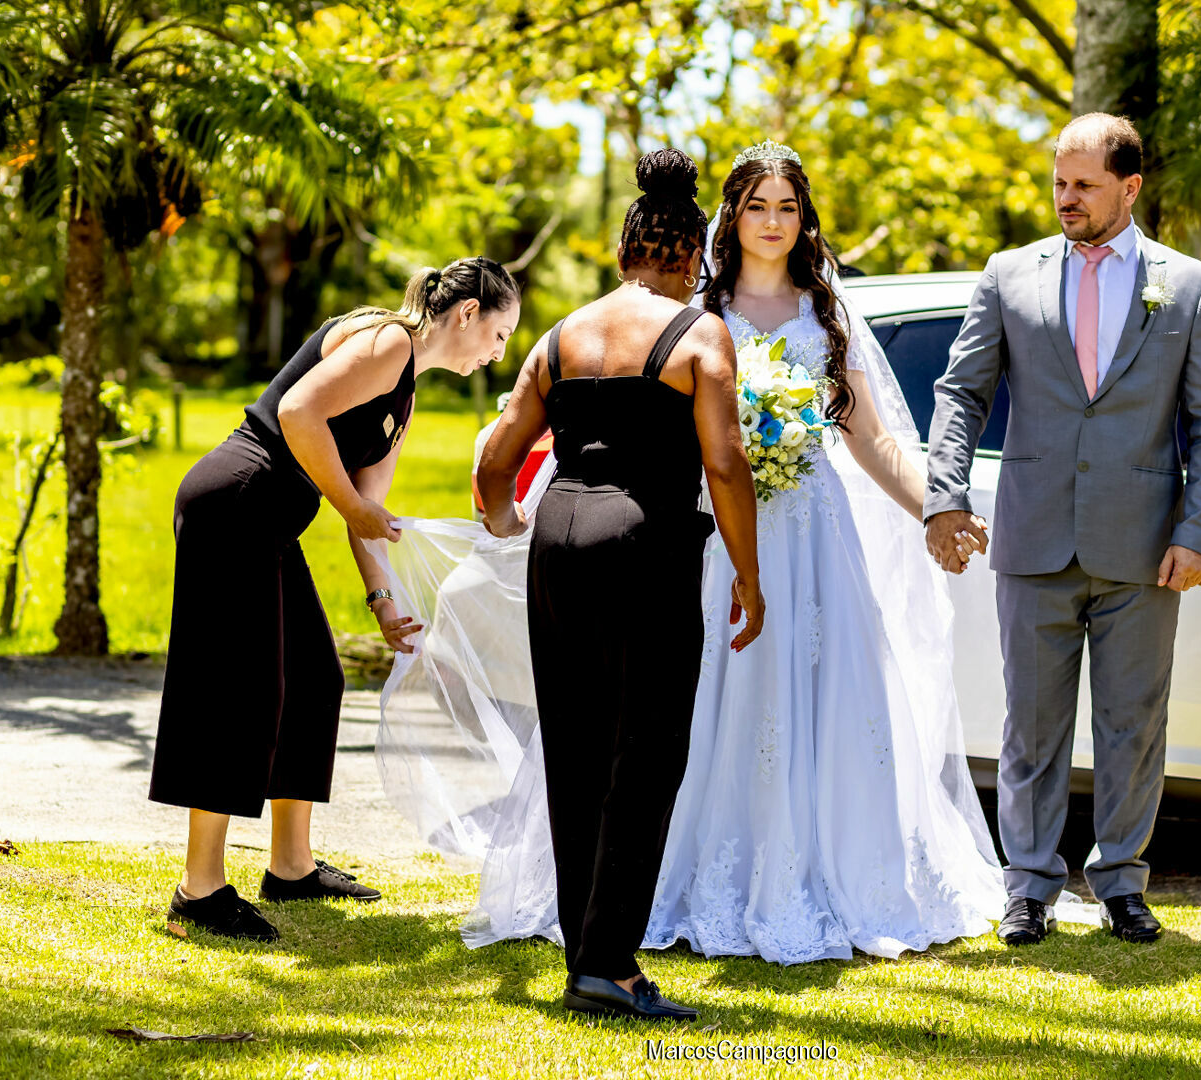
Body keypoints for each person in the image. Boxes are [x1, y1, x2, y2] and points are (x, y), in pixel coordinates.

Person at [639, 140, 1024, 964]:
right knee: (712, 690)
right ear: (731, 217)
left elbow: (874, 440)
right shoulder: (697, 311)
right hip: (721, 526)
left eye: (787, 207)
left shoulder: (826, 316)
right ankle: (701, 874)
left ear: (804, 219)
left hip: (815, 531)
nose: (772, 223)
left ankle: (827, 870)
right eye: (756, 206)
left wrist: (938, 508)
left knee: (822, 690)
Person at [924, 113, 1201, 946]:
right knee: (1029, 724)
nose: (1065, 199)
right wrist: (945, 494)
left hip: (1143, 544)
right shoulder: (1006, 275)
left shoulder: (1191, 285)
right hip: (1031, 536)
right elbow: (961, 394)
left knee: (1133, 724)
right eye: (1058, 183)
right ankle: (1026, 884)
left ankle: (1121, 883)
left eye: (1083, 185)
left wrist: (1198, 531)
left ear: (1128, 188)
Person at [149, 257, 521, 941]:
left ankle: (290, 867)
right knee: (241, 688)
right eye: (500, 336)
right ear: (468, 315)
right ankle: (198, 892)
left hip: (266, 518)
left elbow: (369, 512)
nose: (499, 354)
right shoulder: (387, 341)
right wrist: (349, 505)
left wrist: (382, 601)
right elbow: (297, 413)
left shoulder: (403, 396)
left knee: (317, 678)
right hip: (233, 502)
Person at [474, 147, 762, 1020]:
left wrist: (501, 516)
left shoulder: (562, 335)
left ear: (626, 248)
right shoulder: (699, 333)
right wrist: (748, 575)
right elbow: (725, 461)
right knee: (646, 750)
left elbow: (498, 451)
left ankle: (586, 950)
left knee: (573, 745)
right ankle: (607, 962)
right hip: (645, 539)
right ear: (693, 255)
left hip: (558, 534)